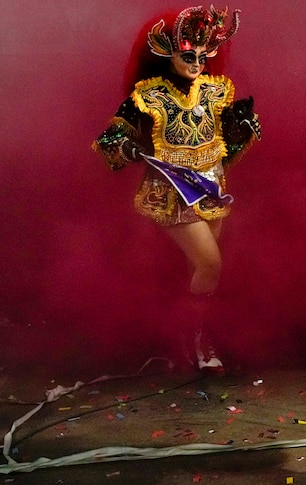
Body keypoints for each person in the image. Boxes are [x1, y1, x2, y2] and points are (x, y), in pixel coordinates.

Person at [93, 6, 261, 375]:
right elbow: (110, 138)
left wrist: (242, 126)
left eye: (203, 56)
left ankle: (187, 337)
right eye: (189, 56)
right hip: (169, 192)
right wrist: (127, 146)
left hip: (211, 187)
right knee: (210, 264)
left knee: (199, 270)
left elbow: (223, 147)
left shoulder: (216, 92)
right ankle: (196, 339)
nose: (197, 62)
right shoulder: (148, 96)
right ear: (167, 53)